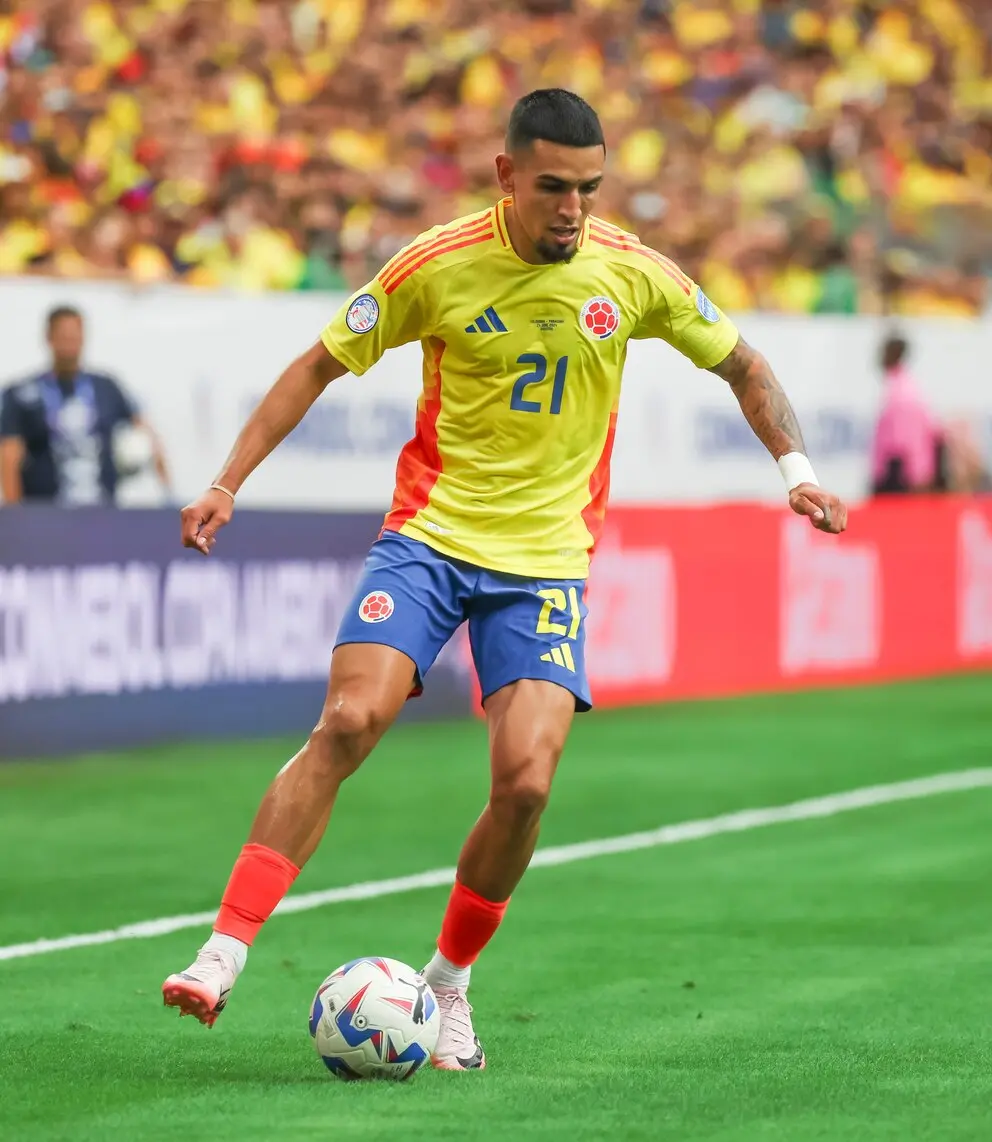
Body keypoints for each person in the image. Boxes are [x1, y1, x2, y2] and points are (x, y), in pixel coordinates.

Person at [163, 89, 848, 1070]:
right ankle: (222, 952)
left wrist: (797, 473)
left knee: (525, 782)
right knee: (350, 721)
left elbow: (741, 363)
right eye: (553, 187)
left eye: (588, 188)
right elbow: (315, 366)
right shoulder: (433, 266)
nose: (573, 208)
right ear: (504, 177)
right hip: (429, 540)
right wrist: (227, 481)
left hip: (543, 567)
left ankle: (447, 984)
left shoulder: (630, 272)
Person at [0, 305, 170, 505]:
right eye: (63, 336)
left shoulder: (106, 387)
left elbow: (146, 435)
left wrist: (166, 491)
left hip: (102, 510)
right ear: (49, 338)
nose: (70, 344)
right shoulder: (23, 393)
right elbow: (9, 454)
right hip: (46, 512)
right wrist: (16, 517)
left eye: (75, 336)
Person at [869, 333, 943, 496]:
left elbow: (906, 444)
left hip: (901, 476)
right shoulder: (903, 387)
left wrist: (917, 477)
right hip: (903, 473)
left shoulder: (902, 392)